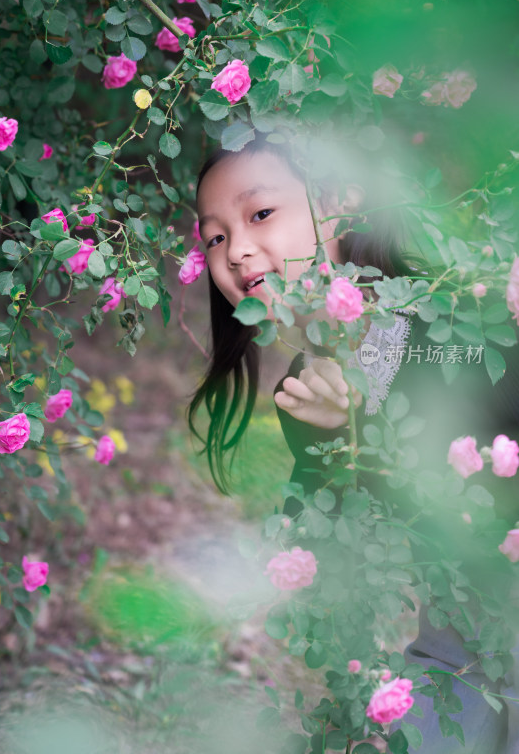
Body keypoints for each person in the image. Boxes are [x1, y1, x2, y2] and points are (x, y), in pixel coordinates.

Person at [188, 134, 519, 752]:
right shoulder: (303, 391)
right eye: (215, 236)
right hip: (458, 652)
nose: (236, 250)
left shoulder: (462, 318)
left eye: (260, 214)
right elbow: (337, 553)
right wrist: (329, 441)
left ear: (338, 203)